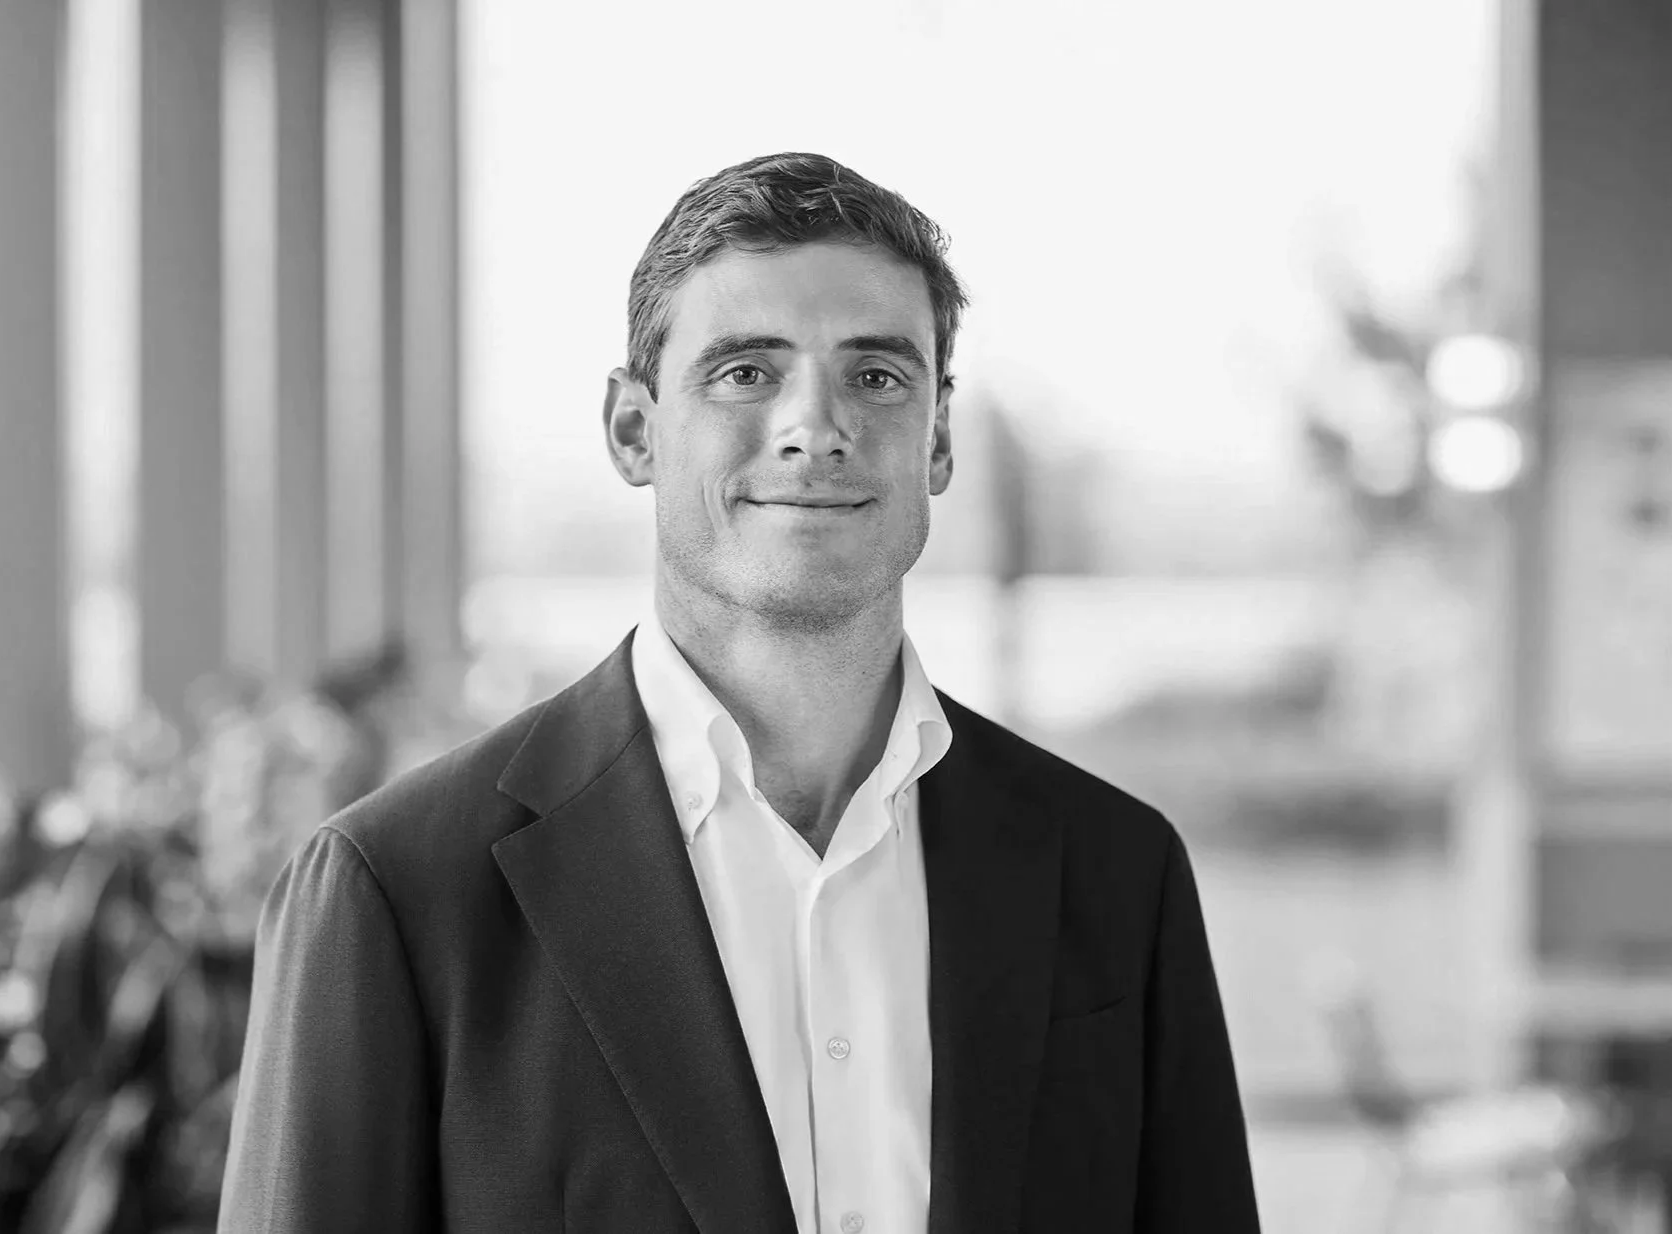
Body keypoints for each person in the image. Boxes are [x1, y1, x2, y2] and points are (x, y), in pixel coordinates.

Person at [218, 151, 1262, 1233]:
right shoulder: (397, 893)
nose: (815, 429)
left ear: (938, 436)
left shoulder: (1113, 872)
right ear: (633, 430)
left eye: (876, 375)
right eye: (745, 373)